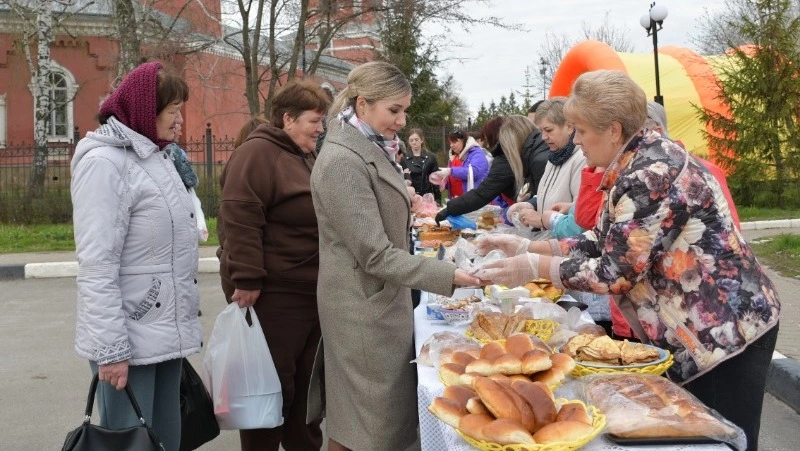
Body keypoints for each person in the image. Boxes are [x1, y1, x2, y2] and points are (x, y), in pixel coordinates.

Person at [477, 70, 780, 451]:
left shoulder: (650, 175)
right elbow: (604, 241)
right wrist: (528, 248)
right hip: (703, 329)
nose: (577, 141)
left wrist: (532, 267)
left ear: (614, 130)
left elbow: (615, 272)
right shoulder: (636, 163)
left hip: (724, 331)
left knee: (720, 440)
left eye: (581, 131)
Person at [309, 61, 480, 451]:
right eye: (394, 110)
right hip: (362, 308)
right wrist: (447, 274)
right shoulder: (341, 161)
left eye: (404, 110)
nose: (402, 121)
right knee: (366, 426)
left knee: (366, 423)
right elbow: (374, 254)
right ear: (363, 104)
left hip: (378, 301)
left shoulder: (366, 146)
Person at [70, 61, 199, 451]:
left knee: (165, 441)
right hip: (127, 338)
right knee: (129, 442)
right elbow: (97, 264)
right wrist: (110, 349)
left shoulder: (158, 160)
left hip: (164, 333)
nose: (180, 121)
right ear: (146, 111)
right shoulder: (104, 164)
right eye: (173, 111)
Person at [216, 80, 331, 451]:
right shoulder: (258, 153)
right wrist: (247, 277)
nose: (320, 128)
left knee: (306, 391)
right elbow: (240, 218)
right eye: (314, 120)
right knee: (270, 391)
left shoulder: (303, 156)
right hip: (276, 297)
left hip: (310, 294)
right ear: (288, 119)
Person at [507, 97, 586, 236]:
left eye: (548, 130)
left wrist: (541, 220)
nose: (543, 137)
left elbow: (582, 215)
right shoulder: (554, 157)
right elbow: (550, 193)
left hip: (567, 245)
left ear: (569, 127)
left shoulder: (582, 159)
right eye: (541, 131)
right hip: (550, 239)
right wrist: (532, 203)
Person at [430, 130, 490, 198]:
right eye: (450, 143)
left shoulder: (476, 153)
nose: (451, 145)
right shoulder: (453, 157)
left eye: (454, 142)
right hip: (455, 199)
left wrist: (450, 171)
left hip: (473, 199)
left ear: (463, 140)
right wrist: (443, 182)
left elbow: (474, 172)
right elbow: (454, 180)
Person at [400, 128, 441, 199]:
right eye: (411, 140)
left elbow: (435, 179)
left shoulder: (431, 157)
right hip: (410, 197)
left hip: (426, 196)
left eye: (416, 140)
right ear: (408, 142)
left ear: (421, 140)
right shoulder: (404, 159)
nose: (414, 142)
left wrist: (438, 199)